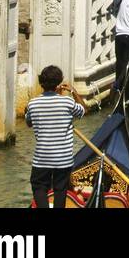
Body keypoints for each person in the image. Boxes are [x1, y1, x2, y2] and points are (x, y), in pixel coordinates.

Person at [25, 64, 86, 210]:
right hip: (63, 159)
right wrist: (73, 91)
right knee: (60, 190)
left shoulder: (33, 103)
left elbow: (28, 123)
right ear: (59, 83)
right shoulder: (67, 102)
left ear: (41, 83)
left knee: (38, 186)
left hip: (42, 158)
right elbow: (83, 110)